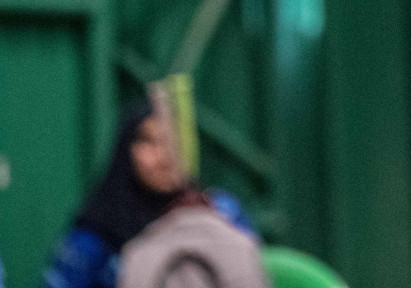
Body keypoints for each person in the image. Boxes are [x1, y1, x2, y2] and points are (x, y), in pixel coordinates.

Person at [44, 99, 255, 288]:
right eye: (149, 141)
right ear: (126, 151)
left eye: (172, 140)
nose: (164, 155)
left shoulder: (222, 211)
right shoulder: (95, 236)